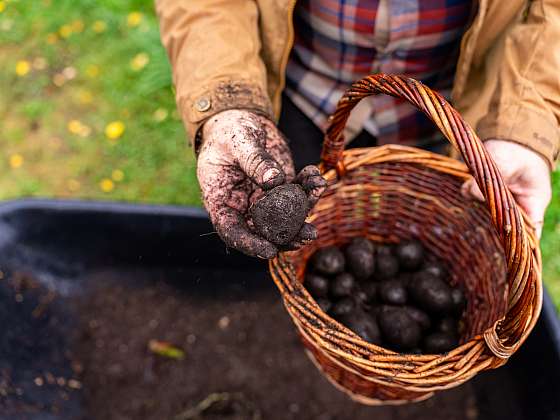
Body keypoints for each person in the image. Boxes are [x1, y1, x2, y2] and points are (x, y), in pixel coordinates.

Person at [155, 0, 557, 258]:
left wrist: (523, 123)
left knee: (422, 248)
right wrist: (228, 103)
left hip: (454, 121)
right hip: (301, 102)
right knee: (291, 254)